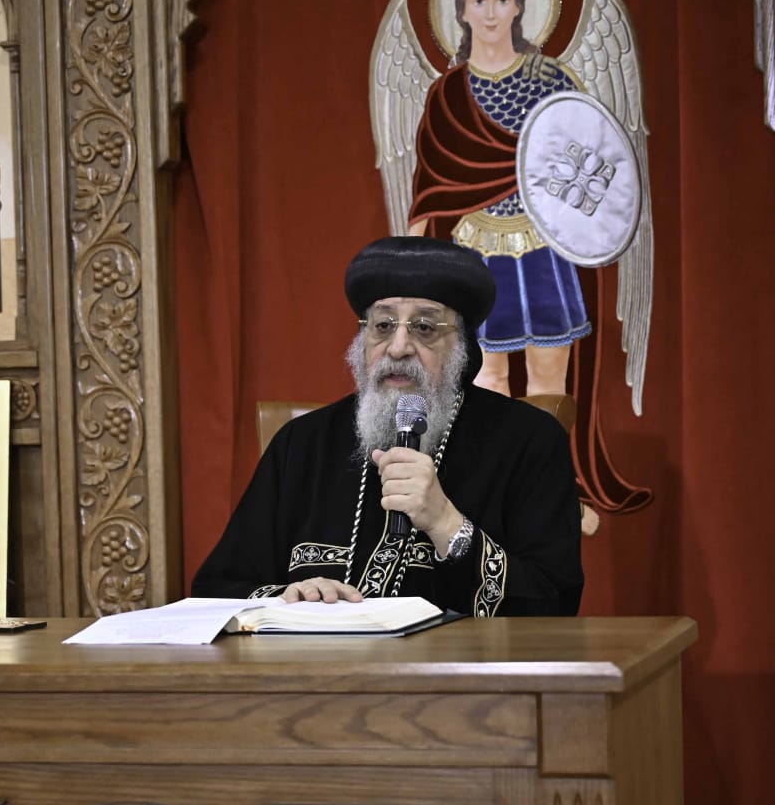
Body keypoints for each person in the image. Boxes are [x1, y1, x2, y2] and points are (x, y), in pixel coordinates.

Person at [192, 237, 583, 617]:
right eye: (382, 325)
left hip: (456, 662)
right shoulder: (302, 443)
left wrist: (447, 524)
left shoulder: (528, 440)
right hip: (319, 661)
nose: (398, 348)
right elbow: (217, 589)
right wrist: (288, 598)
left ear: (461, 346)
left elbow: (553, 604)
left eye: (424, 328)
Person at [408, 0, 590, 398]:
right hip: (477, 247)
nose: (491, 13)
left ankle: (549, 450)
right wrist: (408, 262)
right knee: (486, 381)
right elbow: (429, 183)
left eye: (502, 0)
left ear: (519, 7)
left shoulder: (552, 81)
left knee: (549, 379)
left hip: (544, 246)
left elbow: (586, 158)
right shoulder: (448, 93)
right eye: (480, 1)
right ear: (462, 11)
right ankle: (496, 451)